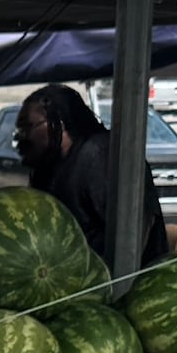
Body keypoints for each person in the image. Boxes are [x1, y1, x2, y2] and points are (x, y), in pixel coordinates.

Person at [26, 84, 113, 260]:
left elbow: (130, 228)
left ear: (57, 123)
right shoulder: (51, 166)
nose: (27, 135)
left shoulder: (97, 155)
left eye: (32, 126)